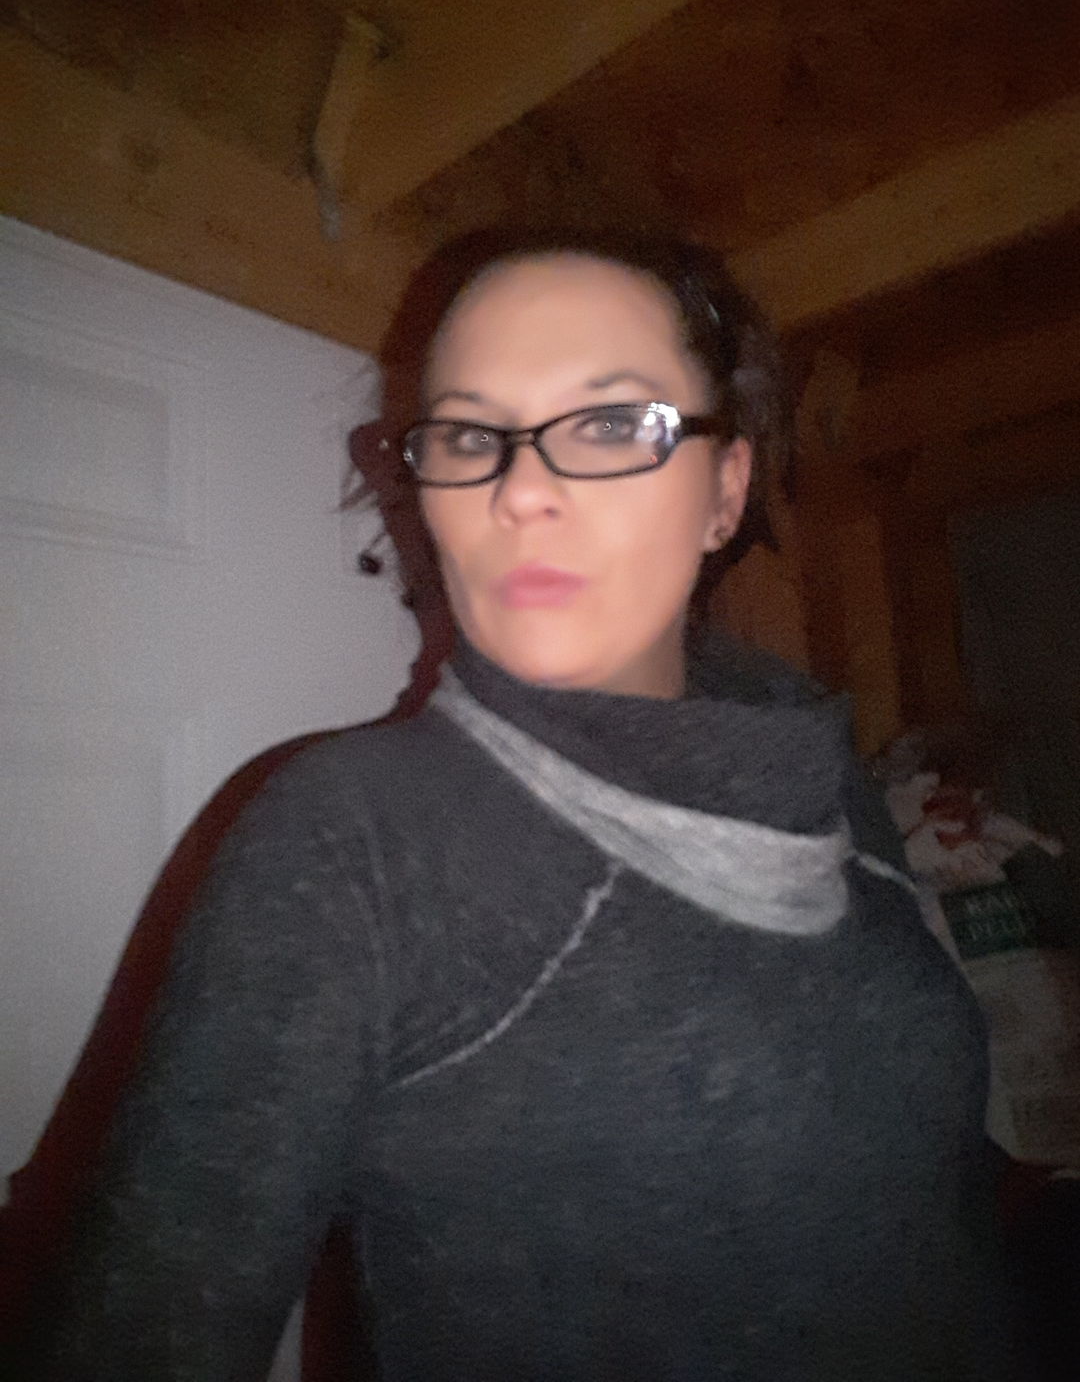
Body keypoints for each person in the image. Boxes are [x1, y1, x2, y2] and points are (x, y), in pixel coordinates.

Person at [34, 227, 1022, 1380]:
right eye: (470, 435)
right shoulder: (358, 836)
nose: (521, 491)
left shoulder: (817, 771)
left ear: (726, 490)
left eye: (610, 423)